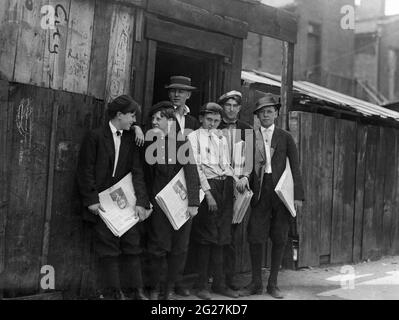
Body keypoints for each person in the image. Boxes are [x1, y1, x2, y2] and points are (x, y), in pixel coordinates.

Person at [76, 95, 150, 300]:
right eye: (132, 116)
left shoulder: (131, 138)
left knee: (133, 245)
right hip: (102, 204)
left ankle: (137, 291)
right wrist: (91, 199)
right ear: (119, 115)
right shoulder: (95, 136)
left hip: (125, 202)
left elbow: (138, 172)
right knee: (108, 249)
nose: (134, 121)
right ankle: (115, 293)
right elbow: (85, 170)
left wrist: (142, 202)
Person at [242, 94, 305, 299]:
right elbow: (246, 165)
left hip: (281, 192)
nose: (266, 115)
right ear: (257, 116)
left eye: (269, 111)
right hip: (260, 191)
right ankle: (256, 283)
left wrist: (298, 196)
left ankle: (273, 284)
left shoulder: (285, 136)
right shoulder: (252, 137)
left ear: (276, 113)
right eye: (262, 112)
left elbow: (295, 167)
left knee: (279, 237)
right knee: (255, 237)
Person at [144, 101, 200, 300]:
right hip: (158, 205)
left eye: (159, 118)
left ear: (170, 121)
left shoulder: (181, 143)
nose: (154, 122)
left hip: (180, 204)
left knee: (179, 249)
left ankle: (168, 288)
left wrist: (193, 202)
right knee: (157, 247)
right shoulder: (149, 143)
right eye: (152, 118)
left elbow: (192, 173)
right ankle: (154, 287)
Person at [188, 102, 240, 300]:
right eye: (209, 119)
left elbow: (226, 164)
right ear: (201, 118)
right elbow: (197, 167)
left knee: (222, 237)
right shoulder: (193, 137)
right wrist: (207, 193)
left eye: (216, 121)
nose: (212, 124)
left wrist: (237, 179)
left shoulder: (221, 138)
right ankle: (202, 285)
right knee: (206, 237)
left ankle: (219, 284)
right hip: (207, 187)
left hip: (224, 186)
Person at [217, 90, 252, 291]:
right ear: (223, 107)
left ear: (239, 108)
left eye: (234, 106)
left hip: (237, 189)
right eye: (228, 105)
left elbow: (251, 159)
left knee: (231, 236)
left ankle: (228, 279)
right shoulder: (214, 126)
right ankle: (214, 280)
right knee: (215, 234)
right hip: (218, 185)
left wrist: (246, 176)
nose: (231, 109)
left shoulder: (246, 129)